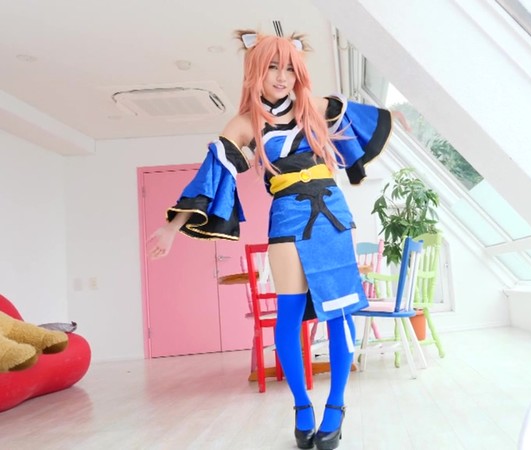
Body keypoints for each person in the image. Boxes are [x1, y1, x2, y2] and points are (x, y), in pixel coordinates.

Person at [147, 30, 408, 450]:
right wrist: (172, 227)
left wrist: (393, 115)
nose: (282, 77)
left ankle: (336, 405)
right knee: (289, 314)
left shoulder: (313, 107)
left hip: (332, 212)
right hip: (287, 213)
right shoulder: (244, 124)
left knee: (340, 312)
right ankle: (302, 406)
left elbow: (359, 117)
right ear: (255, 71)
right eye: (272, 67)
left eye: (289, 68)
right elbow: (213, 174)